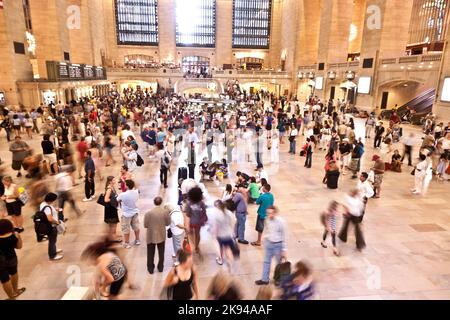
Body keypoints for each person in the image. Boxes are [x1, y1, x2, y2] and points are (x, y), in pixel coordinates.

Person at [255, 206, 287, 285]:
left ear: (275, 213)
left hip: (278, 245)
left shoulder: (281, 222)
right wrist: (264, 238)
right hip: (269, 243)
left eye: (271, 213)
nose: (269, 215)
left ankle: (278, 279)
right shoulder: (267, 219)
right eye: (268, 213)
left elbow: (285, 235)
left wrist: (284, 250)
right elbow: (266, 229)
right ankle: (265, 279)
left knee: (278, 263)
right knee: (266, 261)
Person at [144, 197, 170, 274]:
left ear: (154, 202)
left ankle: (150, 269)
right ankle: (160, 267)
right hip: (161, 234)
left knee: (150, 252)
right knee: (161, 252)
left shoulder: (148, 213)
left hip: (151, 235)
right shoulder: (165, 212)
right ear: (161, 202)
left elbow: (145, 225)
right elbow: (168, 223)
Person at [0, 219, 25, 299]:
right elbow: (19, 247)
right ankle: (16, 291)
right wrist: (19, 237)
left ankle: (11, 297)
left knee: (4, 280)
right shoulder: (13, 236)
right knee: (14, 273)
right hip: (12, 257)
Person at [211, 200, 239, 270]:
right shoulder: (229, 213)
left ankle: (220, 259)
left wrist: (214, 235)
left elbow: (216, 227)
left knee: (220, 248)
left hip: (221, 236)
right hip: (229, 235)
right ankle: (230, 263)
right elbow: (234, 222)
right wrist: (232, 231)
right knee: (228, 249)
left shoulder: (217, 215)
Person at [117, 180, 141, 249]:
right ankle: (137, 240)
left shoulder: (123, 194)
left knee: (126, 228)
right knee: (136, 226)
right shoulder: (136, 192)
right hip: (135, 212)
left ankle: (126, 243)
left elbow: (117, 200)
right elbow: (137, 187)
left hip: (126, 214)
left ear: (127, 186)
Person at [184, 187, 207, 257]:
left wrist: (186, 225)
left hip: (191, 222)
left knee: (190, 235)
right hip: (198, 222)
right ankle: (196, 246)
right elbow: (204, 211)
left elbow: (187, 215)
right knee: (197, 234)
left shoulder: (189, 203)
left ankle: (192, 246)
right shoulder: (201, 203)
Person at [41, 193, 64, 260]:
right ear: (50, 200)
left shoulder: (43, 204)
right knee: (52, 240)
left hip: (49, 226)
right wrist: (57, 222)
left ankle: (54, 250)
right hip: (51, 226)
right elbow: (50, 218)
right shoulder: (47, 207)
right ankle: (52, 255)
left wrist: (55, 210)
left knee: (53, 240)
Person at [103, 176, 120, 242]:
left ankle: (113, 235)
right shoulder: (109, 189)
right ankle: (113, 238)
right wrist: (114, 200)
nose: (115, 181)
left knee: (113, 223)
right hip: (110, 209)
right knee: (113, 223)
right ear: (110, 181)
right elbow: (106, 199)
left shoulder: (112, 187)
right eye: (113, 180)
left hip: (112, 207)